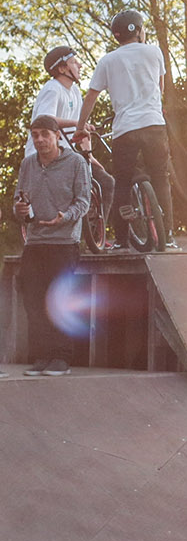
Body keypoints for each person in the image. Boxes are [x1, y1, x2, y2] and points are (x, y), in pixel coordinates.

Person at [79, 10, 175, 251]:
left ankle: (122, 240)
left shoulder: (108, 60)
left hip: (125, 128)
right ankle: (170, 236)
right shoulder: (154, 52)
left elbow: (91, 97)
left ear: (117, 37)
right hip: (154, 124)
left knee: (122, 182)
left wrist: (80, 128)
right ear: (140, 30)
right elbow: (160, 88)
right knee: (161, 178)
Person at [10, 114, 93, 376]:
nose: (40, 140)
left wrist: (64, 217)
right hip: (34, 242)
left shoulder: (76, 162)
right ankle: (43, 357)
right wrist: (20, 209)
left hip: (64, 242)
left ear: (58, 135)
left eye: (45, 134)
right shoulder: (28, 164)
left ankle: (62, 358)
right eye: (35, 135)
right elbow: (18, 201)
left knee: (59, 301)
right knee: (34, 301)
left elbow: (83, 202)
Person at [32, 45, 114, 246]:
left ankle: (95, 235)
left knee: (107, 182)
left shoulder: (75, 91)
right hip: (48, 156)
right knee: (71, 191)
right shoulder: (52, 89)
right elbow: (44, 118)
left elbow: (81, 129)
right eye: (73, 61)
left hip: (70, 155)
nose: (79, 64)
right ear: (62, 69)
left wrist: (90, 155)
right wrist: (77, 124)